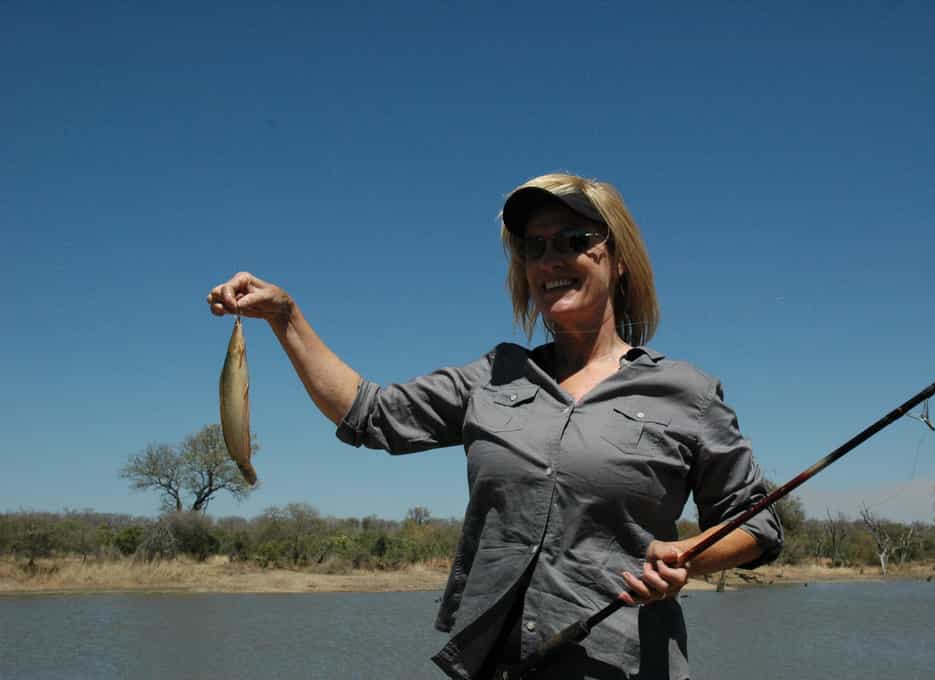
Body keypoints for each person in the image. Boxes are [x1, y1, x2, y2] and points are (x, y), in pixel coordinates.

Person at [207, 172, 782, 679]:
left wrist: (689, 558)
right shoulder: (495, 375)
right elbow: (370, 412)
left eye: (574, 241)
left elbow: (757, 523)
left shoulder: (686, 392)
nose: (550, 260)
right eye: (535, 248)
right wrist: (286, 317)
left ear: (619, 257)